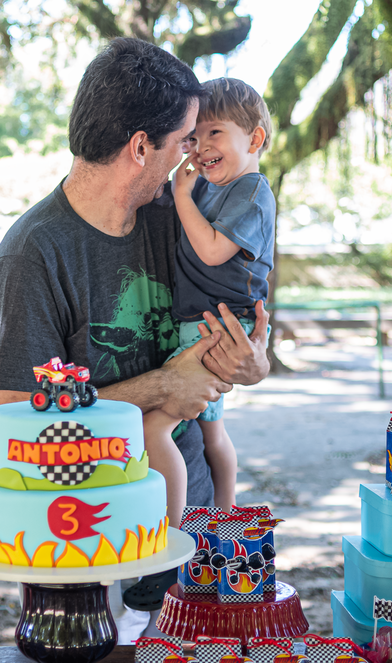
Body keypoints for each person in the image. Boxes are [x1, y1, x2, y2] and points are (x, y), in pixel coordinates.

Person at [0, 37, 270, 611]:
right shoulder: (32, 256)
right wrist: (163, 386)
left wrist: (253, 361)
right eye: (185, 141)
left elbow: (248, 311)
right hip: (83, 541)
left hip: (196, 537)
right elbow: (12, 418)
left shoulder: (180, 217)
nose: (192, 157)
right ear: (141, 146)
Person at [143, 77, 276, 526]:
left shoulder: (251, 191)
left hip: (220, 326)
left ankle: (175, 530)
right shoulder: (210, 187)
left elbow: (215, 250)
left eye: (214, 132)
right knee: (209, 429)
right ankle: (224, 520)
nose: (200, 148)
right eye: (194, 139)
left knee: (154, 427)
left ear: (254, 138)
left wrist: (182, 194)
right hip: (203, 323)